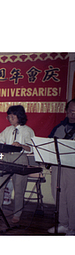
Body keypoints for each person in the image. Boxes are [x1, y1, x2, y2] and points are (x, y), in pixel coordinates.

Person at [0, 105, 35, 223]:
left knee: (19, 188)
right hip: (7, 157)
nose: (10, 118)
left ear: (20, 116)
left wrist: (21, 145)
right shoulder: (8, 129)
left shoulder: (28, 130)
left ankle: (17, 214)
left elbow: (32, 148)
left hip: (20, 158)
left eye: (13, 116)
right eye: (9, 116)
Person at [47, 98, 75, 235]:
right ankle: (63, 223)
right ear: (66, 111)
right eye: (70, 111)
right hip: (58, 167)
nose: (73, 114)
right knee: (58, 195)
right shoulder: (58, 127)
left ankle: (73, 228)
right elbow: (48, 144)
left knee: (72, 197)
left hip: (73, 169)